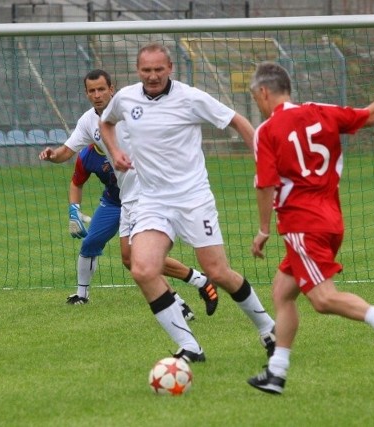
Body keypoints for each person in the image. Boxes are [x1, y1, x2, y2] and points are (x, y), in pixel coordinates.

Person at [99, 42, 276, 363]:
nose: (152, 76)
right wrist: (115, 151)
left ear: (170, 69)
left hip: (193, 200)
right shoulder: (125, 98)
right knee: (142, 269)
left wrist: (263, 157)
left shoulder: (191, 97)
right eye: (146, 70)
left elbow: (236, 120)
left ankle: (267, 328)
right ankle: (190, 347)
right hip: (152, 201)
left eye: (158, 69)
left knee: (218, 271)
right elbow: (106, 122)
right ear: (138, 71)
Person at [246, 62, 374, 395]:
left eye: (255, 97)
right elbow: (370, 116)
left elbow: (264, 185)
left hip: (301, 224)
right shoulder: (322, 112)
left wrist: (264, 229)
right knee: (282, 292)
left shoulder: (267, 131)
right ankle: (277, 372)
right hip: (331, 219)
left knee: (322, 299)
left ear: (264, 92)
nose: (257, 103)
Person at [39, 69, 219, 317]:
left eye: (101, 89)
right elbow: (65, 153)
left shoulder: (129, 108)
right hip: (127, 196)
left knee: (141, 257)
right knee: (129, 259)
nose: (97, 95)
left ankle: (188, 296)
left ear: (112, 89)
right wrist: (52, 156)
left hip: (151, 193)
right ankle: (192, 290)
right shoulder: (87, 122)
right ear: (86, 94)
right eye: (92, 91)